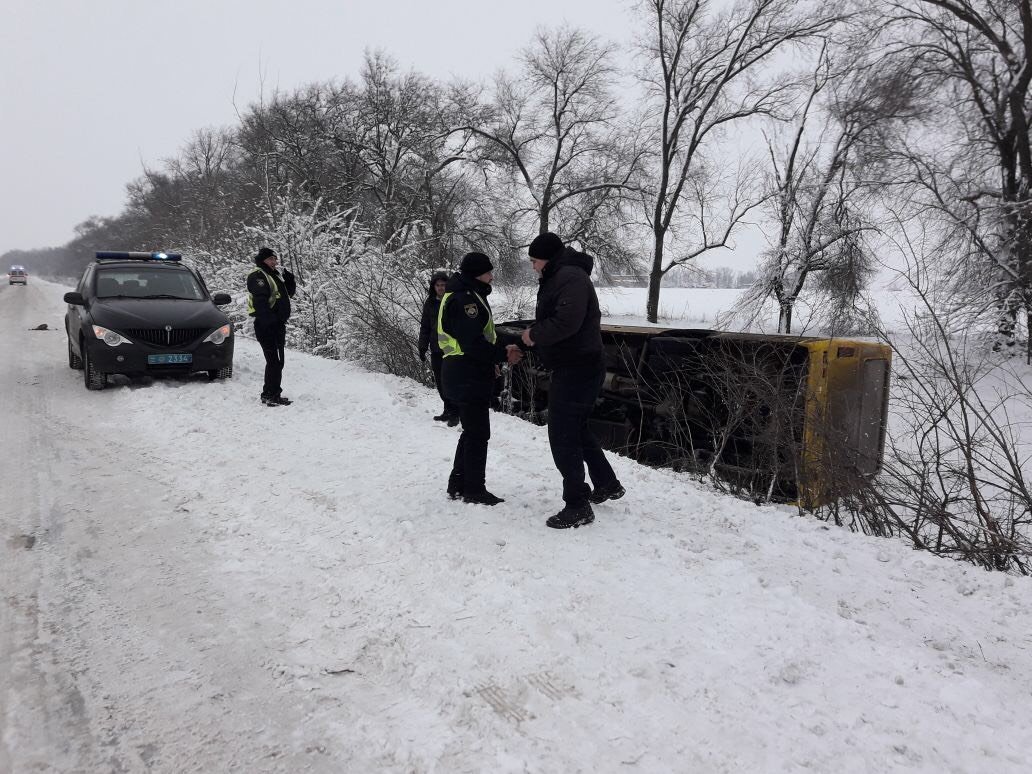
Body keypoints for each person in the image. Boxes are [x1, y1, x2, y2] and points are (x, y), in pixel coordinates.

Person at [520, 232, 624, 529]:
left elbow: (568, 322)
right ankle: (606, 483)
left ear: (548, 258)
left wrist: (534, 334)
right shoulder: (561, 276)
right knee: (575, 428)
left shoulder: (570, 278)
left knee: (562, 433)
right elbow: (561, 318)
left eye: (535, 260)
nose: (533, 267)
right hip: (579, 365)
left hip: (578, 368)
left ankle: (577, 504)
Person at [438, 251, 522, 505]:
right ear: (477, 274)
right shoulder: (466, 302)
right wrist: (502, 355)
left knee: (471, 431)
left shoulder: (464, 294)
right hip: (466, 372)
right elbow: (473, 343)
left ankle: (458, 483)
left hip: (461, 371)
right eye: (488, 272)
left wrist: (493, 358)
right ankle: (474, 490)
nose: (492, 276)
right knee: (478, 434)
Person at [246, 247, 297, 407]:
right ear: (264, 260)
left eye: (275, 259)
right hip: (266, 325)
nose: (275, 262)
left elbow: (288, 294)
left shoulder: (273, 275)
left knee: (278, 361)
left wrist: (290, 280)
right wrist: (270, 321)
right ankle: (269, 395)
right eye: (271, 259)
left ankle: (274, 393)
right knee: (273, 361)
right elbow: (260, 302)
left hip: (277, 324)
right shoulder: (258, 276)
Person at [417, 271, 459, 425]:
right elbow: (425, 327)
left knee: (451, 382)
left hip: (451, 349)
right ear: (433, 287)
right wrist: (422, 346)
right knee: (440, 383)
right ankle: (447, 410)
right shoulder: (430, 303)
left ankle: (456, 412)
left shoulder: (453, 300)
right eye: (438, 285)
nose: (441, 288)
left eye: (443, 285)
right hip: (435, 349)